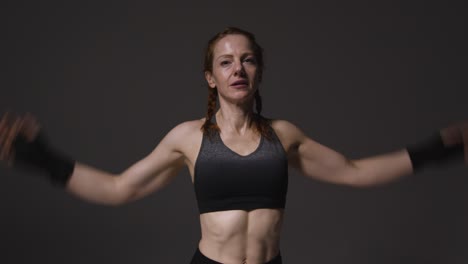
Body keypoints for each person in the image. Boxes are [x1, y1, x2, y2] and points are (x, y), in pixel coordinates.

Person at [0, 27, 466, 264]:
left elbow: (357, 172)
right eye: (225, 62)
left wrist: (438, 148)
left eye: (247, 60)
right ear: (212, 77)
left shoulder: (284, 135)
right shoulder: (188, 137)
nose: (237, 68)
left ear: (258, 70)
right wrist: (41, 157)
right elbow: (119, 188)